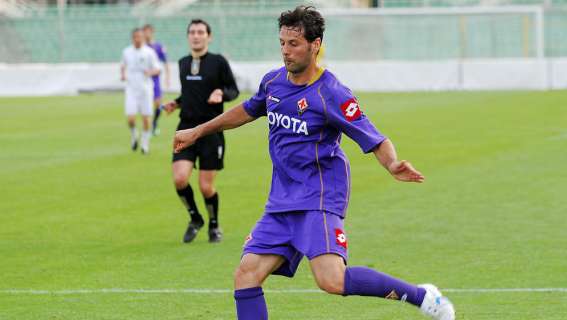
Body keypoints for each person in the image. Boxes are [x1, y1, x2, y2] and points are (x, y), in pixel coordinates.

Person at [173, 6, 455, 320]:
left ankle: (422, 295)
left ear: (315, 45)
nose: (285, 51)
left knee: (331, 280)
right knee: (246, 274)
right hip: (281, 200)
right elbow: (246, 111)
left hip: (318, 197)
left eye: (293, 44)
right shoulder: (274, 83)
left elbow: (373, 136)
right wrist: (199, 131)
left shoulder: (331, 93)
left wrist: (391, 164)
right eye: (282, 43)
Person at [163, 19, 239, 244]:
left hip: (210, 130)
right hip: (185, 128)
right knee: (179, 179)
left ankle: (214, 225)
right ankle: (195, 218)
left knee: (206, 186)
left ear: (209, 36)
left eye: (200, 32)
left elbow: (233, 90)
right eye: (192, 32)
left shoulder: (218, 62)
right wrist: (176, 103)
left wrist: (221, 94)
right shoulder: (183, 63)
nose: (196, 36)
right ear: (188, 36)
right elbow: (190, 93)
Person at [120, 28, 161, 154]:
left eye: (139, 37)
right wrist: (122, 74)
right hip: (131, 89)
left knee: (146, 118)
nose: (137, 39)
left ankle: (144, 143)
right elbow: (123, 65)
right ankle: (134, 135)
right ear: (132, 38)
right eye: (135, 37)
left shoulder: (149, 52)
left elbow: (158, 69)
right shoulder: (127, 51)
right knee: (131, 118)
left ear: (143, 38)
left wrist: (150, 72)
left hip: (145, 90)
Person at [142, 24, 170, 136]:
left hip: (155, 79)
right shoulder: (141, 48)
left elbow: (165, 62)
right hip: (144, 79)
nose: (146, 34)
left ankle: (154, 123)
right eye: (144, 32)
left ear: (152, 32)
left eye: (148, 31)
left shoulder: (158, 46)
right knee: (146, 105)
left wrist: (168, 77)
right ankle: (147, 128)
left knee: (158, 104)